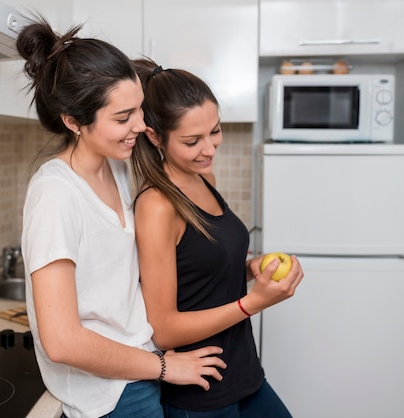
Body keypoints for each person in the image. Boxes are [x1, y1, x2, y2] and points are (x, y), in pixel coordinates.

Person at [17, 20, 227, 418]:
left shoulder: (117, 167)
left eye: (140, 110)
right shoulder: (56, 194)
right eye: (123, 116)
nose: (141, 126)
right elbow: (61, 341)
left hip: (139, 370)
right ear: (73, 122)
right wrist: (165, 367)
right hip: (109, 395)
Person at [130, 58, 304, 417]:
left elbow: (200, 278)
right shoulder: (157, 205)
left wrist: (249, 269)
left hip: (246, 375)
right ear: (154, 137)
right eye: (192, 141)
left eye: (215, 131)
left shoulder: (204, 178)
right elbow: (163, 329)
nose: (209, 149)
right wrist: (252, 304)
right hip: (201, 393)